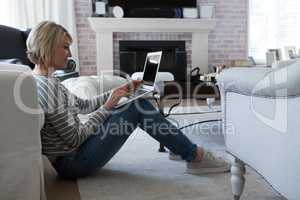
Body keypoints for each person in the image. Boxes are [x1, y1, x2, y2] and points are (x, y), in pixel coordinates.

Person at [27, 21, 230, 179]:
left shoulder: (44, 80)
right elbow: (74, 139)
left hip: (72, 155)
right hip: (73, 162)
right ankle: (195, 156)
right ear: (48, 46)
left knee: (133, 101)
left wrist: (119, 91)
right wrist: (109, 106)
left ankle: (179, 146)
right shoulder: (48, 87)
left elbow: (83, 105)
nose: (69, 53)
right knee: (138, 106)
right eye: (65, 47)